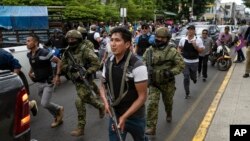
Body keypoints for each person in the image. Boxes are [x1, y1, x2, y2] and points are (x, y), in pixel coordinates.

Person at [99, 27, 148, 141]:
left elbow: (142, 97)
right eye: (111, 40)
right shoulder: (108, 62)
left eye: (117, 40)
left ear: (127, 44)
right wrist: (105, 102)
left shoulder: (137, 65)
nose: (113, 44)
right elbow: (102, 85)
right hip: (115, 114)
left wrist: (125, 117)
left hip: (135, 116)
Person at [61, 30, 104, 136]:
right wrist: (70, 68)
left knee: (79, 101)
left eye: (73, 39)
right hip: (75, 79)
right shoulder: (67, 51)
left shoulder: (85, 50)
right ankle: (100, 106)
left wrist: (87, 72)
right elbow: (63, 64)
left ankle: (80, 128)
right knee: (87, 98)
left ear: (78, 39)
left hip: (85, 78)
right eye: (69, 39)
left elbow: (97, 63)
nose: (70, 41)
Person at [143, 27, 184, 135]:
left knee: (168, 102)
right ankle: (151, 127)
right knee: (152, 103)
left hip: (167, 83)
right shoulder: (149, 50)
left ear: (167, 39)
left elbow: (181, 65)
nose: (159, 39)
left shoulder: (172, 51)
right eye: (157, 37)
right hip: (154, 83)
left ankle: (169, 112)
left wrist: (171, 72)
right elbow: (142, 63)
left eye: (162, 38)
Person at [26, 33, 64, 128]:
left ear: (36, 42)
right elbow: (34, 63)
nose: (26, 43)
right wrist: (30, 72)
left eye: (28, 41)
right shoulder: (29, 54)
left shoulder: (44, 52)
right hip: (38, 82)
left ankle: (59, 108)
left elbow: (59, 61)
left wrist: (57, 76)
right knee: (45, 104)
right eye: (26, 41)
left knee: (44, 103)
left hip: (48, 82)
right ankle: (57, 116)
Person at [0, 48, 38, 116]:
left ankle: (31, 105)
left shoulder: (2, 54)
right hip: (3, 81)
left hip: (10, 80)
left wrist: (12, 80)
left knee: (14, 101)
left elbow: (17, 65)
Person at [178, 25, 204, 99]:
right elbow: (179, 47)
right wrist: (179, 53)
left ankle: (194, 78)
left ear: (194, 31)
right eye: (189, 29)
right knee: (186, 77)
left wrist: (195, 46)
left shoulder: (198, 40)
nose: (190, 31)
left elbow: (201, 51)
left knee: (192, 76)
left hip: (194, 62)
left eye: (192, 30)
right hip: (185, 61)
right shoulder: (183, 39)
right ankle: (187, 93)